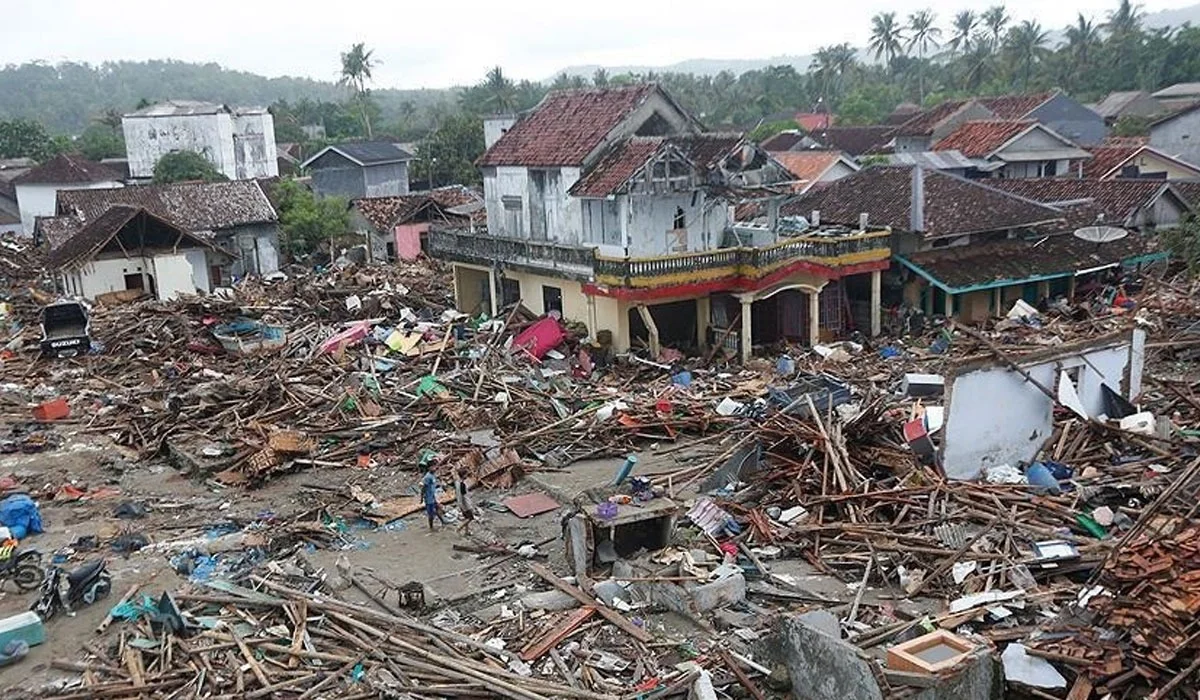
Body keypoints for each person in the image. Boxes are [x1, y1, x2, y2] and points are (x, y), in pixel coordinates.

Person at [421, 465, 446, 531]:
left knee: (438, 509)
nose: (434, 468)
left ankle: (443, 522)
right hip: (429, 498)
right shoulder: (427, 477)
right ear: (429, 468)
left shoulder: (432, 475)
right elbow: (424, 488)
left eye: (435, 467)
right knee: (431, 514)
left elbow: (433, 485)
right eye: (432, 467)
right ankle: (431, 527)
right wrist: (421, 497)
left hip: (433, 496)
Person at [453, 469, 476, 535]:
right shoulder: (462, 485)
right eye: (466, 474)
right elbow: (463, 496)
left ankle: (467, 531)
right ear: (463, 475)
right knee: (470, 518)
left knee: (466, 518)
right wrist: (468, 506)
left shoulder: (458, 483)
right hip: (465, 505)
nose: (467, 476)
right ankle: (459, 528)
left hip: (462, 504)